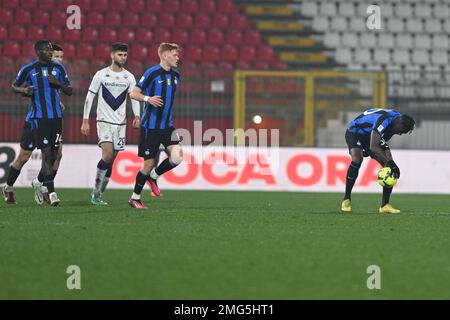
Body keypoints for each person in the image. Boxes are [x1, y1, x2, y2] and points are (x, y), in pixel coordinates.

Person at [3, 40, 72, 206]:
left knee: (54, 155)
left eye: (51, 50)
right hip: (35, 120)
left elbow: (69, 90)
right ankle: (9, 187)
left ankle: (44, 186)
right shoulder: (28, 69)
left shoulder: (59, 69)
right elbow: (13, 86)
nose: (50, 52)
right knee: (25, 156)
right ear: (38, 51)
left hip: (55, 118)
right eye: (47, 50)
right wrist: (24, 90)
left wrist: (58, 84)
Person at [81, 42, 140, 205]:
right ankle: (95, 192)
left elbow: (134, 97)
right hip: (104, 121)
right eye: (120, 54)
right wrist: (85, 120)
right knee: (107, 155)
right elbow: (90, 97)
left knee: (112, 159)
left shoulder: (129, 77)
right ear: (112, 55)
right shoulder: (101, 75)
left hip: (120, 123)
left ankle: (99, 193)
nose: (123, 57)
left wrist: (137, 116)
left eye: (125, 55)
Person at [128, 43, 183, 209]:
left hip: (167, 126)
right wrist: (147, 99)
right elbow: (133, 93)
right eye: (174, 54)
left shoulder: (176, 75)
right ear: (165, 56)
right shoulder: (151, 73)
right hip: (150, 127)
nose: (177, 57)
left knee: (177, 157)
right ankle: (135, 198)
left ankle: (153, 176)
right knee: (148, 163)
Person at [341, 108, 415, 214]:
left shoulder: (396, 121)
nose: (399, 134)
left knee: (389, 167)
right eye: (401, 131)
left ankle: (385, 206)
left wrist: (390, 163)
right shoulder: (384, 121)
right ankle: (346, 200)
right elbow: (374, 146)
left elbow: (384, 147)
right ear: (399, 123)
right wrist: (388, 161)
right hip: (355, 132)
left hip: (371, 134)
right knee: (358, 157)